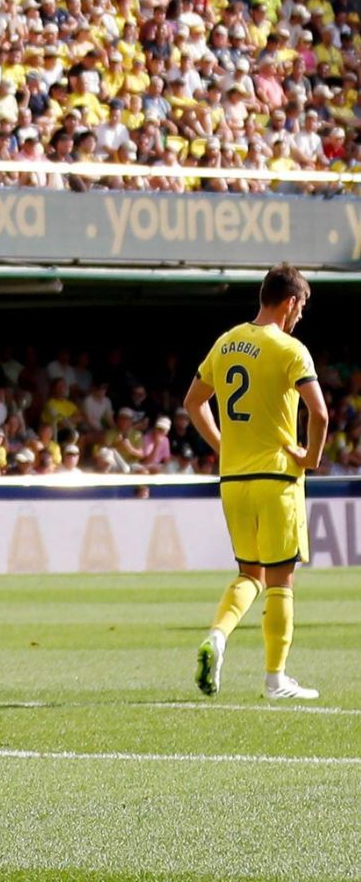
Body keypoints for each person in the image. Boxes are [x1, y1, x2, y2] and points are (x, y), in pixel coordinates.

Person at [188, 264, 325, 701]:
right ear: (290, 302)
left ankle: (218, 636)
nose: (300, 316)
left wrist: (223, 445)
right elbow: (319, 413)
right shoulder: (290, 348)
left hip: (234, 479)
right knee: (281, 580)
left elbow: (194, 403)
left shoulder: (226, 342)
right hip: (276, 477)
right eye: (300, 307)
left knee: (249, 573)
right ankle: (275, 679)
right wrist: (312, 456)